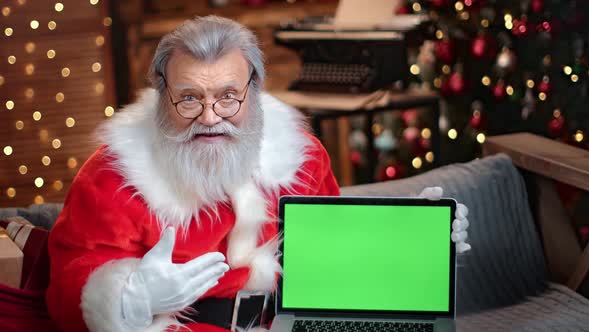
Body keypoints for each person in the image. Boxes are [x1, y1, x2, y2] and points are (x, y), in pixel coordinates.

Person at [46, 16, 470, 332]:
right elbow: (68, 291)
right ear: (162, 98)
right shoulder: (113, 176)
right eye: (189, 98)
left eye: (228, 96)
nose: (210, 118)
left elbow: (332, 262)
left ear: (256, 92)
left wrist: (415, 245)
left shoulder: (303, 159)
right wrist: (130, 296)